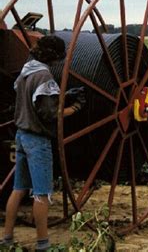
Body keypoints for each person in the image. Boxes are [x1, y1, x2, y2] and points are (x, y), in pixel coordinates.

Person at [0, 36, 85, 251]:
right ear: (53, 56)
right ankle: (43, 244)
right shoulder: (44, 75)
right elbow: (49, 114)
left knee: (18, 189)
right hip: (38, 141)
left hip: (21, 136)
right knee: (42, 194)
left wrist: (61, 96)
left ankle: (7, 237)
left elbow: (30, 99)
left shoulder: (26, 71)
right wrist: (73, 108)